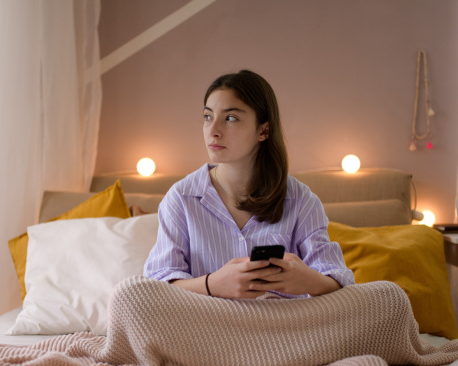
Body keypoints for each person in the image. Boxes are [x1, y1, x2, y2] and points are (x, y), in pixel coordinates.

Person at [144, 70, 355, 298]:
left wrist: (307, 281)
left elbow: (340, 282)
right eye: (208, 117)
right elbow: (157, 287)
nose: (213, 131)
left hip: (283, 329)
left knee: (388, 295)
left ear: (263, 130)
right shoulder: (181, 197)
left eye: (230, 118)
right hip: (208, 329)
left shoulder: (301, 201)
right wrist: (212, 284)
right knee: (128, 293)